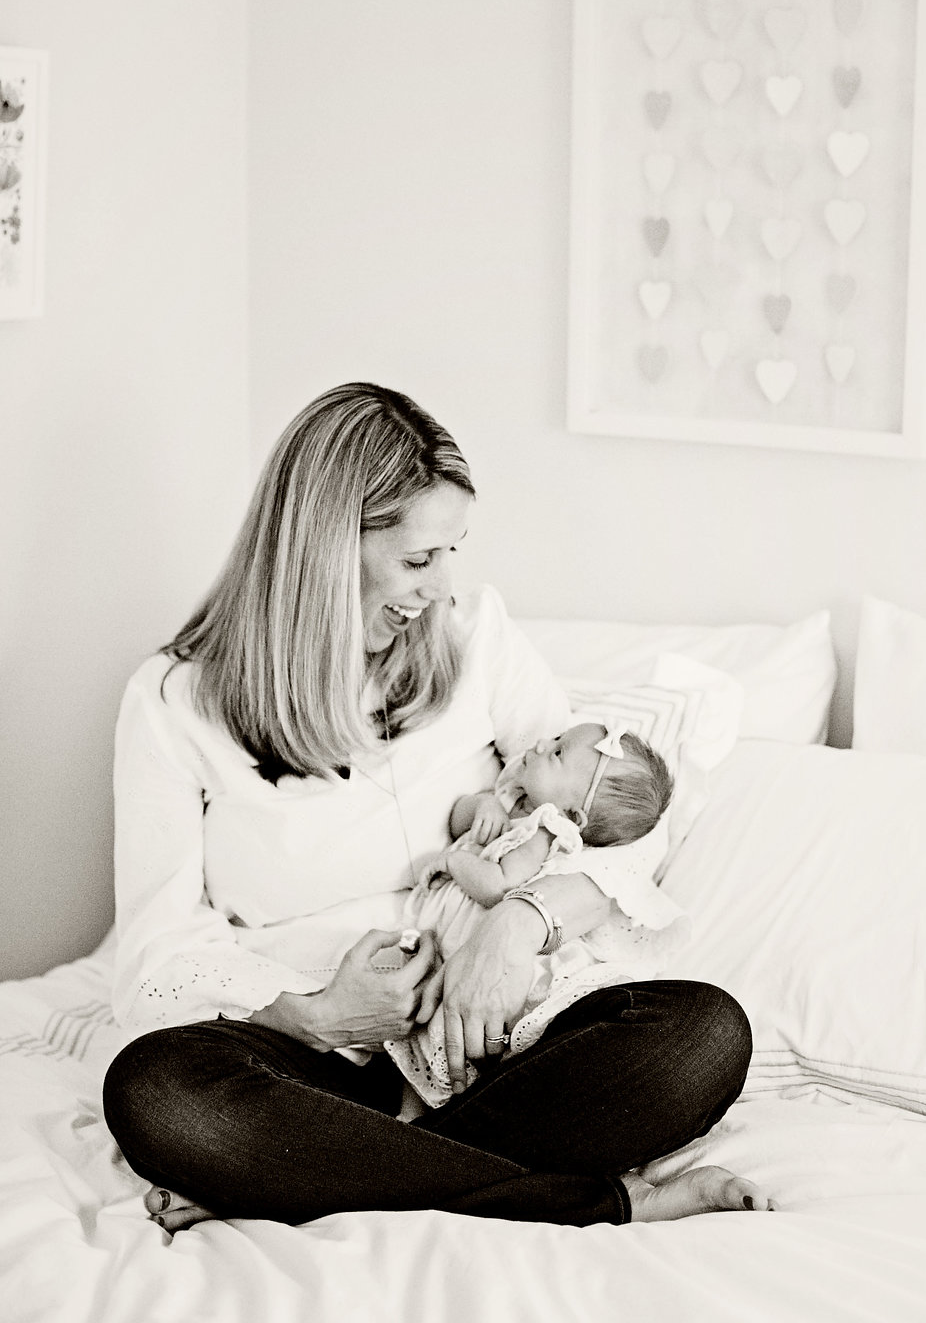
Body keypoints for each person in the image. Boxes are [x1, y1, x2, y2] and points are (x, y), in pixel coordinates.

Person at [102, 381, 772, 1233]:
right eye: (420, 560)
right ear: (323, 552)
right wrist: (319, 1016)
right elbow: (154, 958)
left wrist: (517, 925)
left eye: (453, 551)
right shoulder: (173, 701)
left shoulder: (474, 637)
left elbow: (616, 819)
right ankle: (601, 1201)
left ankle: (312, 1174)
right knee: (157, 1091)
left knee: (702, 1034)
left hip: (492, 1047)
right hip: (312, 1062)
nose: (441, 585)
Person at [386, 721, 691, 1106]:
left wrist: (454, 862)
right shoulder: (513, 794)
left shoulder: (546, 830)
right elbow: (460, 820)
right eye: (557, 738)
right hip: (458, 944)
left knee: (453, 1034)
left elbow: (499, 886)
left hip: (483, 949)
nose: (543, 742)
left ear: (573, 816)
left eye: (558, 752)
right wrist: (483, 806)